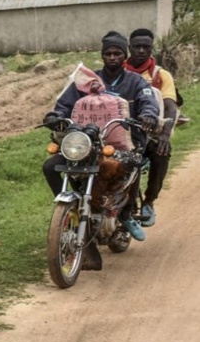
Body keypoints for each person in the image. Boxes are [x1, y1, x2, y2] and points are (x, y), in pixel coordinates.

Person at [42, 31, 159, 242]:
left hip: (123, 144)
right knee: (50, 166)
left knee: (133, 163)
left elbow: (148, 101)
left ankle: (126, 213)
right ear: (102, 55)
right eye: (108, 54)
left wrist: (148, 116)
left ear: (125, 56)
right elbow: (64, 103)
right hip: (85, 144)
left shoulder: (136, 82)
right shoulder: (87, 80)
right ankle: (70, 209)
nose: (112, 57)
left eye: (117, 53)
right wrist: (56, 116)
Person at [124, 28, 179, 227]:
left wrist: (165, 134)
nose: (140, 51)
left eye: (145, 47)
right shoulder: (116, 70)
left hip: (146, 133)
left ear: (151, 49)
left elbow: (170, 106)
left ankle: (148, 201)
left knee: (161, 152)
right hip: (116, 131)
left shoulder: (160, 75)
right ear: (129, 48)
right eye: (136, 47)